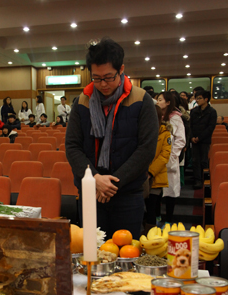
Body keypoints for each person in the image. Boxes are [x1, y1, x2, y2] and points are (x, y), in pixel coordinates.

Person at [65, 38, 158, 240]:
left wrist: (112, 183)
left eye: (108, 77)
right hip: (91, 192)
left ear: (121, 69)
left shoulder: (141, 100)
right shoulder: (82, 101)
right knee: (92, 253)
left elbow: (146, 149)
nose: (103, 84)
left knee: (126, 254)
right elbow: (72, 146)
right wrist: (95, 179)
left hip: (127, 193)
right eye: (96, 78)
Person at [157, 91, 186, 224]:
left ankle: (169, 220)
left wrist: (172, 156)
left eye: (160, 99)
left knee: (170, 191)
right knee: (156, 192)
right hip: (158, 159)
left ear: (168, 102)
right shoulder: (157, 116)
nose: (158, 102)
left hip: (169, 158)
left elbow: (180, 140)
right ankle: (157, 218)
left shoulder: (175, 118)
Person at [145, 105, 172, 229]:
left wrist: (150, 172)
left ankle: (150, 236)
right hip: (140, 175)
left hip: (155, 177)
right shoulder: (142, 131)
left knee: (151, 209)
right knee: (140, 208)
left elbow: (164, 157)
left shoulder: (165, 133)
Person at [190, 90, 217, 189]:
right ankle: (197, 180)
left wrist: (199, 138)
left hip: (204, 140)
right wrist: (192, 137)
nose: (197, 100)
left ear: (206, 99)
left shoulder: (212, 112)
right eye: (196, 98)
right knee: (195, 160)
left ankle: (204, 180)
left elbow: (210, 127)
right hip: (194, 140)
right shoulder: (193, 111)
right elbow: (190, 126)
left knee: (204, 161)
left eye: (199, 98)